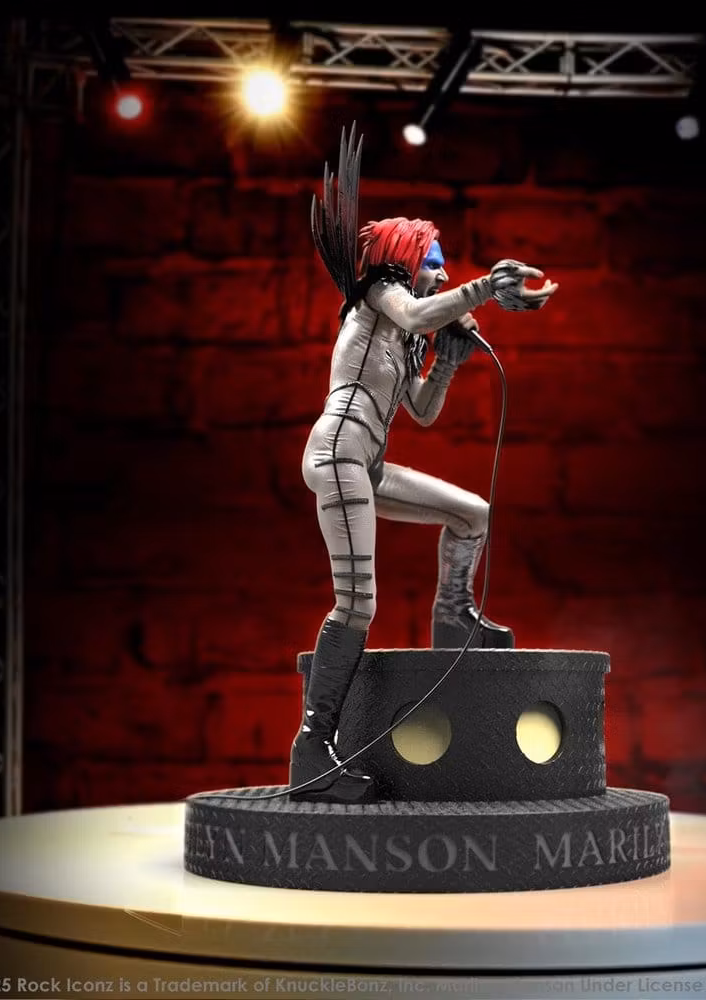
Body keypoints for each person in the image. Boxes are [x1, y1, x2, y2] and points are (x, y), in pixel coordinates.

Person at [290, 134, 557, 803]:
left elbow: (424, 411)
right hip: (340, 454)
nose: (441, 273)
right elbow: (418, 308)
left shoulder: (404, 335)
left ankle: (454, 616)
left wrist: (447, 362)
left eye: (445, 266)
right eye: (433, 263)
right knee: (358, 602)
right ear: (405, 260)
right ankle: (312, 751)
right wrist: (483, 289)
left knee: (472, 513)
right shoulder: (382, 293)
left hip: (368, 463)